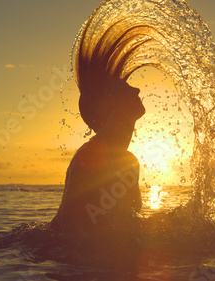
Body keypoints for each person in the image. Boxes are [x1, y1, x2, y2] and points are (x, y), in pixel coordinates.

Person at [51, 72, 145, 245]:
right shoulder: (93, 153)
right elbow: (71, 232)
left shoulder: (129, 161)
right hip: (74, 265)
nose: (136, 90)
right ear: (105, 106)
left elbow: (131, 223)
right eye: (123, 89)